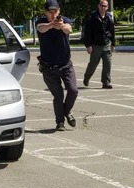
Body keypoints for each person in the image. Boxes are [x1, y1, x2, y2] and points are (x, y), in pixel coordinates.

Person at [36, 0, 78, 131]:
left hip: (65, 65)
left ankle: (66, 111)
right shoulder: (41, 21)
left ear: (59, 11)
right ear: (45, 12)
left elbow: (69, 29)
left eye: (55, 12)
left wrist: (61, 26)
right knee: (58, 96)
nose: (53, 15)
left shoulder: (64, 20)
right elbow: (40, 28)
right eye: (50, 12)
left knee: (73, 90)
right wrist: (51, 25)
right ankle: (60, 122)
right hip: (49, 67)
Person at [83, 0, 116, 89]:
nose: (103, 7)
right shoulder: (92, 17)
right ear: (98, 6)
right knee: (93, 64)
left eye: (105, 6)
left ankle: (106, 82)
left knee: (107, 64)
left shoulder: (109, 17)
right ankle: (87, 77)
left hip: (106, 44)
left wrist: (113, 44)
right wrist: (88, 45)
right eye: (102, 6)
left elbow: (112, 31)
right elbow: (88, 32)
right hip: (96, 45)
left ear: (107, 7)